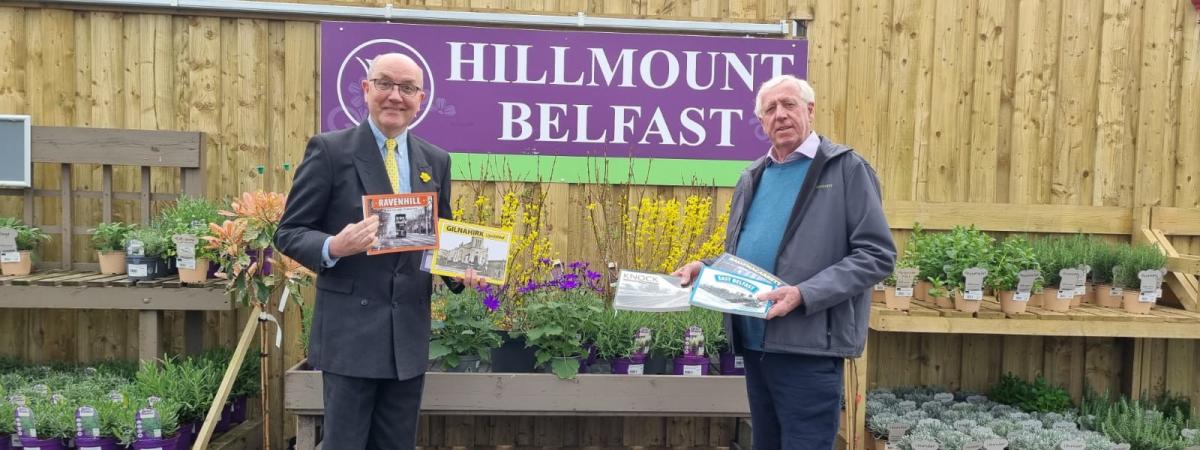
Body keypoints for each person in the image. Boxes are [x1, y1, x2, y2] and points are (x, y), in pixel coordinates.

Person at [673, 74, 895, 450]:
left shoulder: (846, 169)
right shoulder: (753, 176)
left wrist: (805, 294)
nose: (780, 115)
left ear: (809, 110)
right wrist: (706, 269)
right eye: (770, 109)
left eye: (789, 105)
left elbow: (877, 254)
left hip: (808, 345)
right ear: (761, 122)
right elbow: (746, 255)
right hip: (757, 344)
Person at [275, 53, 482, 450]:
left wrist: (460, 270)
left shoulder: (435, 161)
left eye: (407, 88)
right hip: (350, 336)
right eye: (385, 84)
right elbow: (289, 232)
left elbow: (438, 234)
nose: (395, 96)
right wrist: (334, 245)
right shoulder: (330, 151)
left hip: (406, 337)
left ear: (420, 98)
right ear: (366, 89)